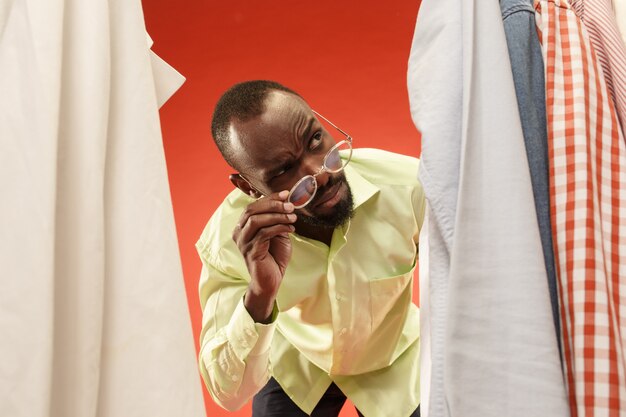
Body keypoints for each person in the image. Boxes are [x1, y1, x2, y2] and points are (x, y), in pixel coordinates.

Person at [197, 80, 424, 417]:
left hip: (392, 355)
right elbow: (227, 394)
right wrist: (261, 292)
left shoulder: (409, 187)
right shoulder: (228, 242)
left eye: (315, 139)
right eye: (285, 170)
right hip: (295, 362)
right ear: (249, 187)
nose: (319, 174)